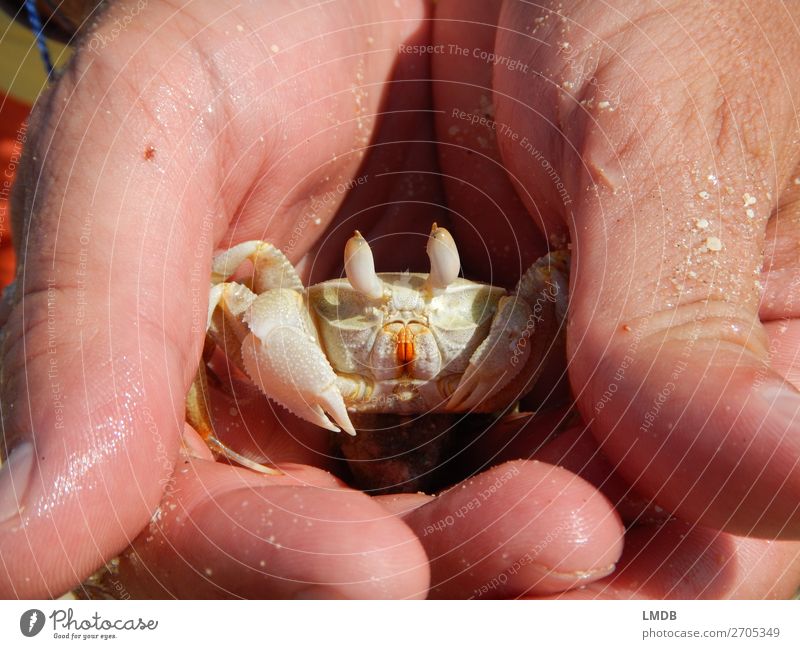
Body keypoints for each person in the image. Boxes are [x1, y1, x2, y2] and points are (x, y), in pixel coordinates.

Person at [0, 0, 798, 599]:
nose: (404, 336)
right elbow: (234, 287)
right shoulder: (299, 305)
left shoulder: (518, 307)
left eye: (426, 317)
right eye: (373, 307)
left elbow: (555, 296)